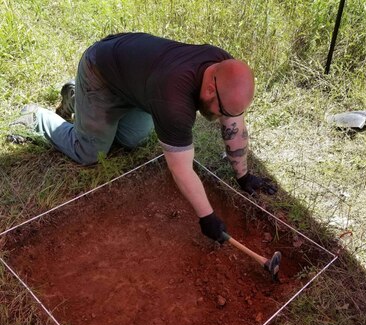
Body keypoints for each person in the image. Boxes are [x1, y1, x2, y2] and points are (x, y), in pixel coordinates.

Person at [11, 32, 277, 242]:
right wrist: (207, 217)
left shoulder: (223, 70)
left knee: (133, 139)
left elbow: (234, 122)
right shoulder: (174, 100)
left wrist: (244, 177)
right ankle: (37, 117)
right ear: (210, 88)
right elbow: (182, 169)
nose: (223, 118)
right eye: (221, 112)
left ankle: (78, 96)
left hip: (133, 80)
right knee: (90, 153)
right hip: (100, 72)